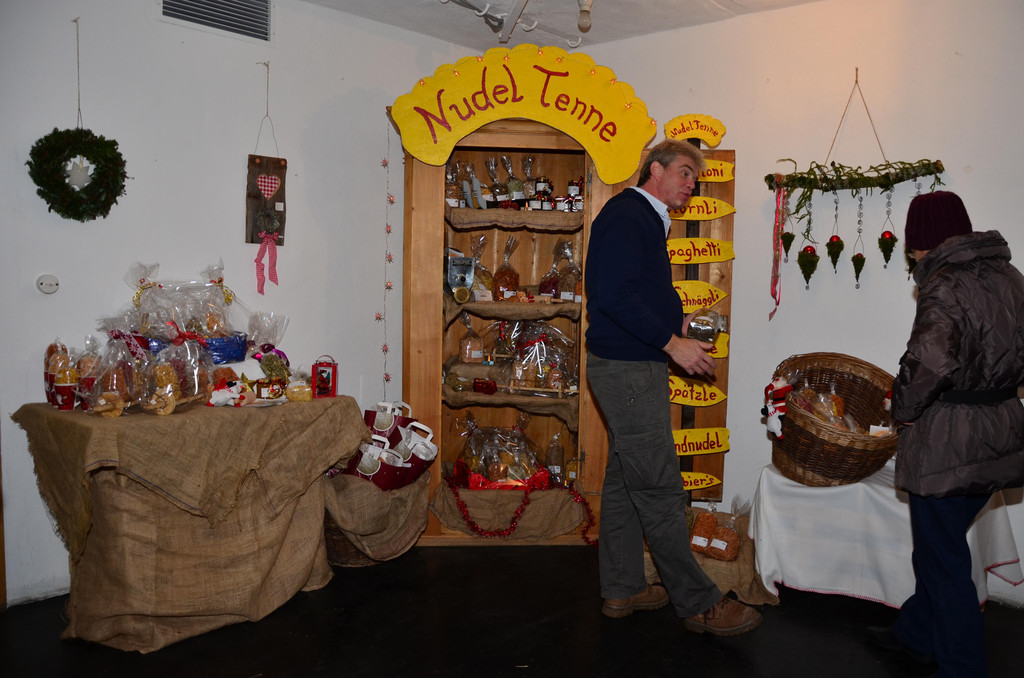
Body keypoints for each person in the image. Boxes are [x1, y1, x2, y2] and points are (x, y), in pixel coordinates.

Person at [584, 138, 762, 635]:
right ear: (655, 169)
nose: (691, 184)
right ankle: (699, 602)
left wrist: (675, 325)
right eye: (684, 172)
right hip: (629, 371)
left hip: (627, 366)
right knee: (660, 488)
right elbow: (613, 296)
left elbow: (630, 293)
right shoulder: (630, 214)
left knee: (625, 481)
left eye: (695, 178)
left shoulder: (642, 218)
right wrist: (672, 343)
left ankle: (622, 588)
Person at [867, 191, 1024, 676]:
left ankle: (962, 666)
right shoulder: (1010, 276)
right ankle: (916, 634)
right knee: (940, 547)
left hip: (950, 439)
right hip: (1001, 428)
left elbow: (930, 362)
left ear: (921, 239)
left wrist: (903, 408)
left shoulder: (944, 282)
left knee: (944, 560)